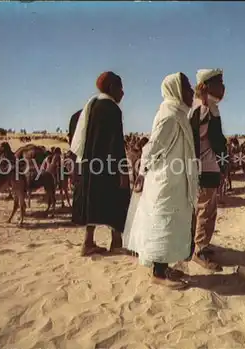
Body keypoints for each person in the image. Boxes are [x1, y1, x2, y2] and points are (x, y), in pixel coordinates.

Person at [126, 72, 199, 290]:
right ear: (176, 90)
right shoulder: (169, 115)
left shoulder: (178, 114)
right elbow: (153, 146)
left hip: (175, 180)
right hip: (166, 181)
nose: (191, 91)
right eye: (186, 87)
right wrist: (142, 171)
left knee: (173, 224)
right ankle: (158, 272)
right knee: (163, 222)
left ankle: (164, 267)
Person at [70, 71, 131, 256]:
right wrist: (122, 171)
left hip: (90, 165)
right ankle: (116, 242)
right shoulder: (112, 109)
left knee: (92, 201)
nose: (122, 92)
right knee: (119, 198)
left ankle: (88, 243)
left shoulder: (91, 106)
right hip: (108, 165)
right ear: (112, 88)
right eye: (120, 88)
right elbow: (116, 143)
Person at [188, 69, 228, 271]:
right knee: (205, 209)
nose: (223, 87)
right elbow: (205, 141)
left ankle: (202, 244)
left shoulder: (209, 107)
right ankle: (199, 250)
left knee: (209, 208)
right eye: (220, 82)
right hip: (204, 168)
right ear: (208, 85)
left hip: (211, 167)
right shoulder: (203, 109)